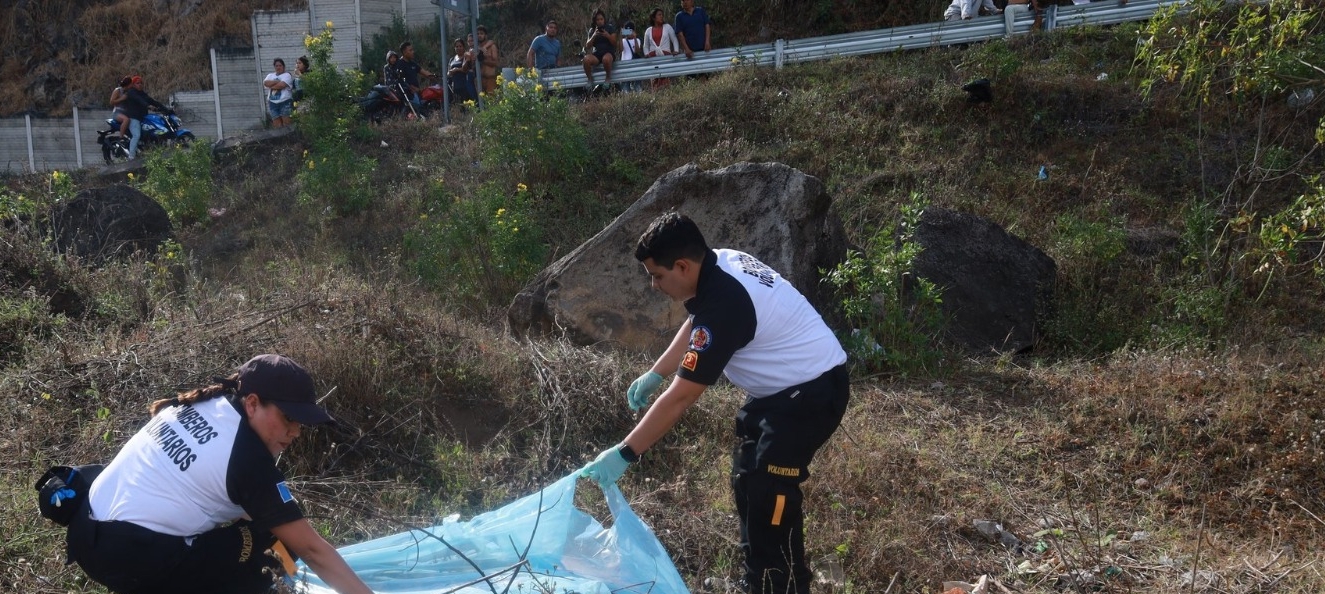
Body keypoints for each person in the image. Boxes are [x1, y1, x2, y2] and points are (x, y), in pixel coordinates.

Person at [580, 213, 850, 594]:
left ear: (682, 266)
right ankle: (754, 581)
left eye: (657, 276)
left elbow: (683, 397)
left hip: (811, 395)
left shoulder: (725, 301)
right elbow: (696, 322)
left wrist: (625, 453)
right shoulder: (716, 263)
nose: (655, 286)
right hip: (780, 393)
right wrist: (657, 371)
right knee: (747, 479)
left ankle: (783, 586)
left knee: (769, 494)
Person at [67, 354, 374, 594]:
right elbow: (312, 549)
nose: (294, 431)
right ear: (252, 403)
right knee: (272, 551)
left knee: (266, 527)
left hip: (85, 530)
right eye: (288, 418)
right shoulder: (248, 460)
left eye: (301, 421)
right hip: (127, 559)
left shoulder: (200, 404)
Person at [121, 75, 169, 160]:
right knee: (136, 135)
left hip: (142, 118)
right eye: (137, 83)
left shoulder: (142, 93)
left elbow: (152, 101)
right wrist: (148, 106)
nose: (139, 85)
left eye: (141, 83)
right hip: (133, 118)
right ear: (133, 84)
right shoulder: (131, 92)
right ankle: (131, 157)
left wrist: (166, 109)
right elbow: (140, 100)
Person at [642, 8, 679, 89]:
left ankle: (667, 97)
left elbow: (674, 39)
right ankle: (656, 98)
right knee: (655, 80)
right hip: (653, 58)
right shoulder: (648, 31)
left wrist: (676, 50)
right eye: (659, 15)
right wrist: (646, 54)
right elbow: (645, 46)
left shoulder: (667, 27)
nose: (661, 17)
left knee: (666, 80)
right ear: (654, 18)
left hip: (666, 56)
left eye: (662, 15)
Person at [581, 9, 616, 90]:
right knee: (586, 59)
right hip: (596, 54)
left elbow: (615, 43)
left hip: (608, 53)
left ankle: (608, 78)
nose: (600, 21)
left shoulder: (610, 28)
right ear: (595, 21)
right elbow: (587, 46)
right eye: (598, 20)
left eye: (601, 19)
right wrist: (594, 35)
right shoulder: (592, 30)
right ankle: (590, 80)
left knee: (606, 59)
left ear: (604, 19)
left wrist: (608, 35)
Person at [396, 41, 435, 107]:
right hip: (408, 95)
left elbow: (425, 72)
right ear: (404, 52)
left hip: (416, 93)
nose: (413, 52)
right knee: (419, 110)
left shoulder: (412, 63)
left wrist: (436, 76)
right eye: (410, 50)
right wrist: (412, 88)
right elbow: (401, 81)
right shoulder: (399, 64)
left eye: (412, 50)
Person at [263, 58, 295, 128]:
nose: (278, 67)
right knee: (277, 124)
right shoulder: (270, 75)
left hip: (285, 102)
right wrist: (277, 82)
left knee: (287, 123)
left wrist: (271, 85)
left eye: (280, 65)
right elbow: (265, 83)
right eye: (276, 66)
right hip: (272, 102)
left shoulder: (287, 75)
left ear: (283, 66)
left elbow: (282, 85)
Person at [447, 38, 478, 105]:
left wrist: (456, 69)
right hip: (455, 86)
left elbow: (467, 69)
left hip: (466, 85)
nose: (458, 48)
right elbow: (448, 72)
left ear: (464, 47)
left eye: (460, 46)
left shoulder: (466, 56)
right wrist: (450, 72)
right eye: (456, 46)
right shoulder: (452, 59)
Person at [475, 26, 501, 96]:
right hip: (480, 80)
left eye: (481, 33)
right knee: (481, 103)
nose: (479, 35)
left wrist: (483, 60)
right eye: (477, 34)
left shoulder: (492, 46)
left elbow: (495, 63)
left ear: (485, 35)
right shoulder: (476, 48)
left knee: (491, 103)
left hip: (490, 79)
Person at [618, 21, 642, 93]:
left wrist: (634, 37)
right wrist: (620, 36)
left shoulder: (637, 40)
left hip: (635, 67)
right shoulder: (623, 41)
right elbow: (621, 49)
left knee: (637, 87)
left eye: (630, 31)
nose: (629, 33)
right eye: (627, 31)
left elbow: (637, 51)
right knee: (625, 88)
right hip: (625, 67)